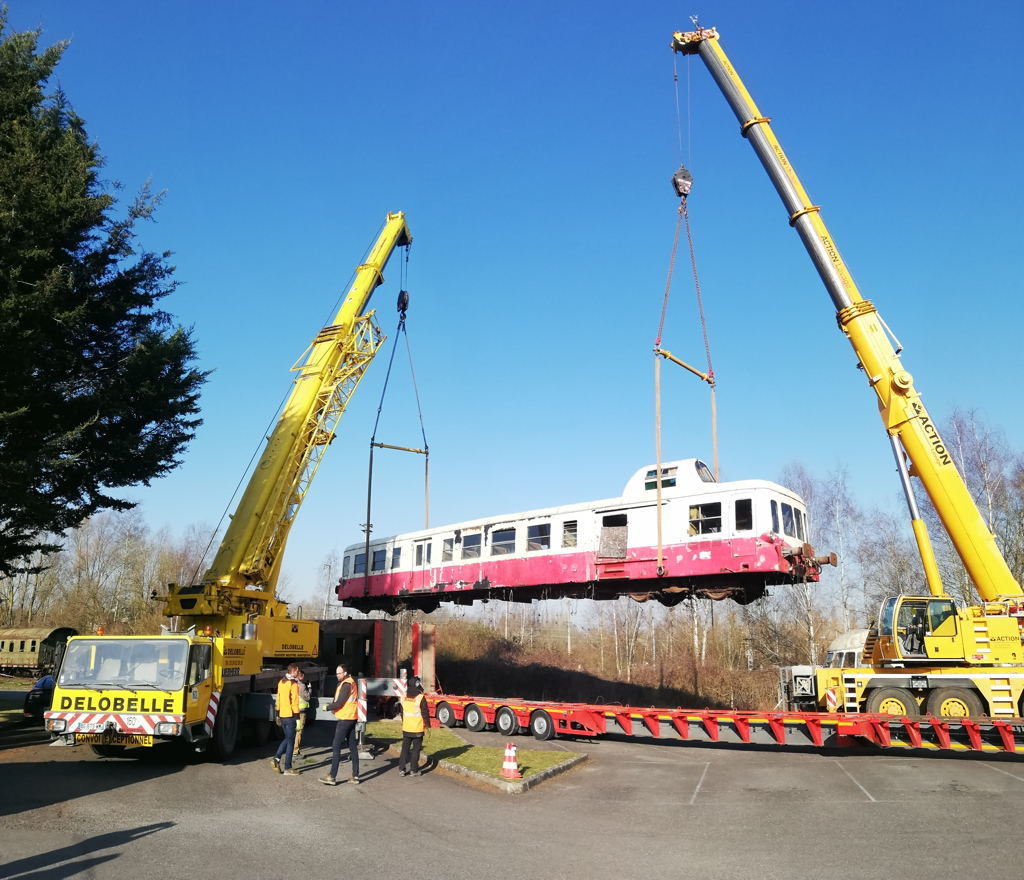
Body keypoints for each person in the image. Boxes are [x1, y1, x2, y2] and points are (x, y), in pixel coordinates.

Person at [320, 664, 360, 786]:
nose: (337, 675)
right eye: (336, 673)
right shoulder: (350, 682)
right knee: (352, 746)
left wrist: (328, 707)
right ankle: (355, 775)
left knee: (336, 745)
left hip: (345, 719)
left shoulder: (346, 685)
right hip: (351, 717)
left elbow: (339, 702)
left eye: (339, 673)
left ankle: (332, 776)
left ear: (345, 672)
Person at [271, 663, 302, 776]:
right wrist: (297, 717)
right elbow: (295, 702)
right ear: (292, 672)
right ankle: (287, 767)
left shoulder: (281, 682)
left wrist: (278, 713)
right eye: (297, 671)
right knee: (290, 741)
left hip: (283, 715)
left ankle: (277, 760)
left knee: (288, 739)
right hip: (290, 716)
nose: (298, 672)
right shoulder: (293, 684)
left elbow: (278, 699)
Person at [398, 678, 431, 777]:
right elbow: (425, 713)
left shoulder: (403, 696)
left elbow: (402, 712)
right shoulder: (420, 697)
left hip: (407, 727)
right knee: (416, 750)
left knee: (405, 749)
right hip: (417, 728)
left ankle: (402, 769)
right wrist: (428, 725)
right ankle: (414, 770)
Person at [293, 668, 310, 759]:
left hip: (294, 710)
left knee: (293, 730)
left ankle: (291, 749)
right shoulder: (302, 686)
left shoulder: (293, 684)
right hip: (301, 711)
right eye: (302, 675)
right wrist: (310, 688)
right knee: (299, 731)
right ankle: (296, 751)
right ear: (301, 676)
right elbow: (307, 697)